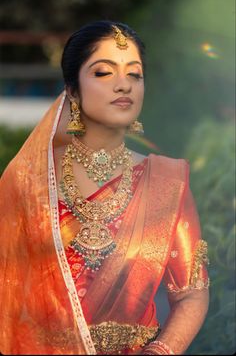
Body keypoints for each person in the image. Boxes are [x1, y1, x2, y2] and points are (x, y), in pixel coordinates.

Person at [0, 20, 210, 355]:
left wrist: (162, 350)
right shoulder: (31, 179)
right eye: (103, 72)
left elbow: (190, 293)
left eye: (135, 74)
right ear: (72, 90)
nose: (124, 85)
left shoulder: (168, 183)